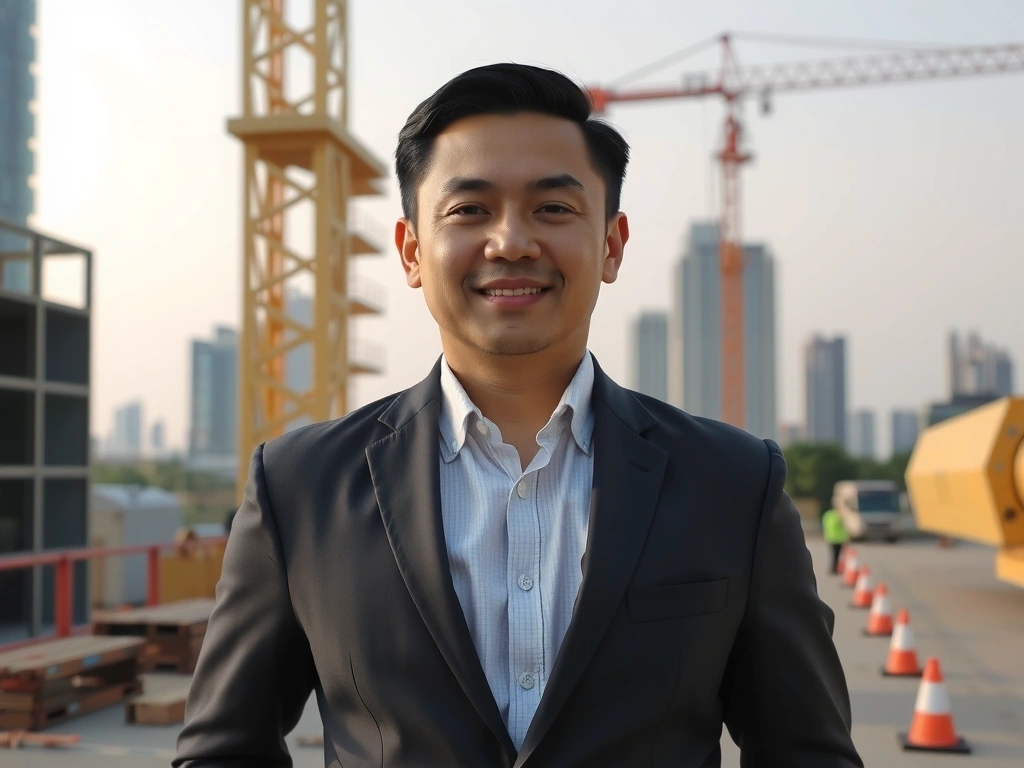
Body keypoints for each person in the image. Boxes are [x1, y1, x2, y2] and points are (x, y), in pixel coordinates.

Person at [174, 63, 862, 767]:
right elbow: (222, 749)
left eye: (553, 209)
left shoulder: (734, 483)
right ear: (412, 251)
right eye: (469, 210)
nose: (510, 242)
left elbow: (806, 752)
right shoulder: (299, 486)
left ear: (612, 245)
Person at [822, 506, 849, 574]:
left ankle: (834, 568)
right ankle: (834, 569)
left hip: (833, 538)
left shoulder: (828, 515)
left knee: (835, 555)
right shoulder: (837, 516)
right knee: (835, 555)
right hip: (836, 539)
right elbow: (840, 527)